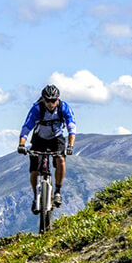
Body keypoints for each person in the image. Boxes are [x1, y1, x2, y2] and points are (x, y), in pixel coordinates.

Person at [17, 84, 77, 214]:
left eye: (54, 100)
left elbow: (72, 128)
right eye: (48, 100)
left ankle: (57, 192)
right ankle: (35, 197)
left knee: (61, 159)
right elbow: (26, 128)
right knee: (34, 171)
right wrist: (22, 144)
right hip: (39, 139)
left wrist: (70, 146)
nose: (51, 103)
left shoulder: (64, 108)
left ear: (58, 99)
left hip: (57, 138)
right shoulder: (37, 109)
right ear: (43, 99)